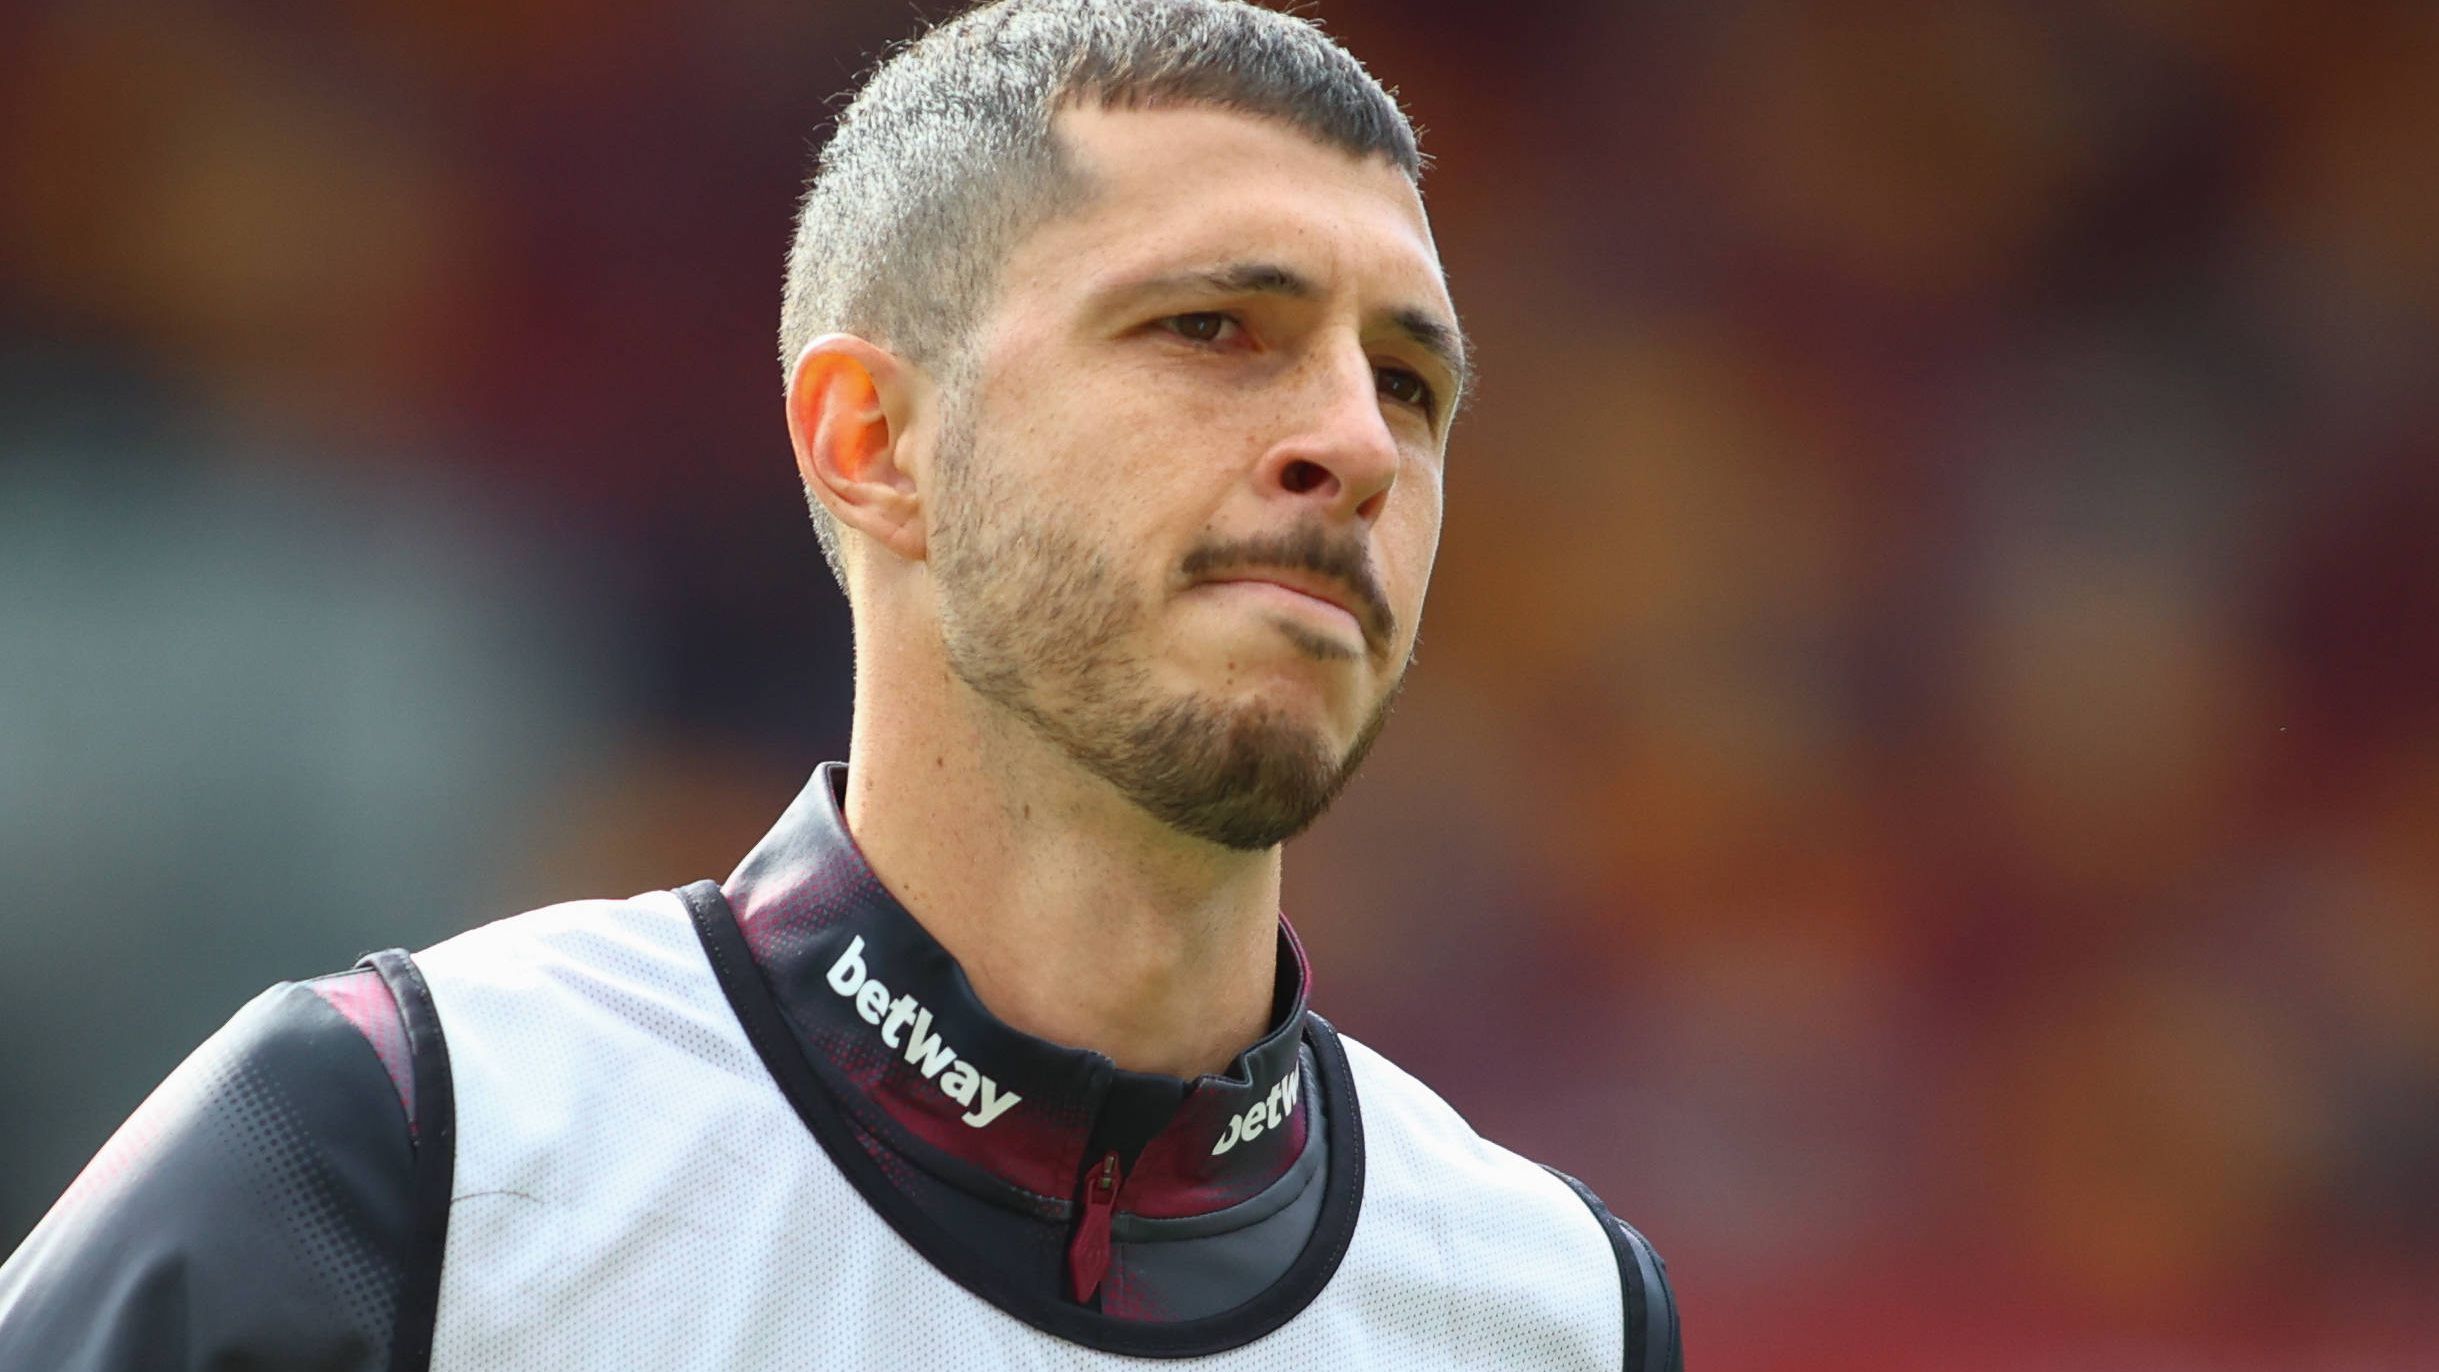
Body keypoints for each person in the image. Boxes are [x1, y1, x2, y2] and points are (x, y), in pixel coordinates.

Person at [0, 1, 1681, 1367]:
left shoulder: (1555, 1313)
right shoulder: (408, 1152)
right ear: (872, 441)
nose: (1356, 445)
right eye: (1213, 329)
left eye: (1407, 382)